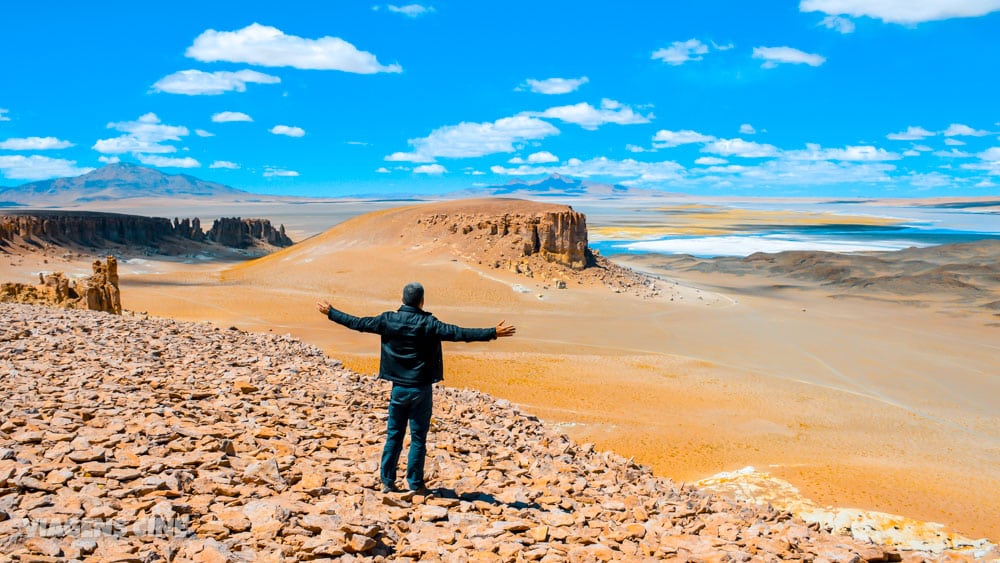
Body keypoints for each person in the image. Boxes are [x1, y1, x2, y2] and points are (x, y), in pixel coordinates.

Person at [316, 282, 516, 493]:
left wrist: (331, 312)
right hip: (421, 390)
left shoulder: (388, 320)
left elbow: (358, 323)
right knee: (418, 438)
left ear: (402, 300)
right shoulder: (429, 324)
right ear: (422, 301)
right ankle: (415, 483)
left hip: (399, 389)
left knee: (394, 434)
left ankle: (387, 480)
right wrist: (493, 332)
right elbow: (460, 333)